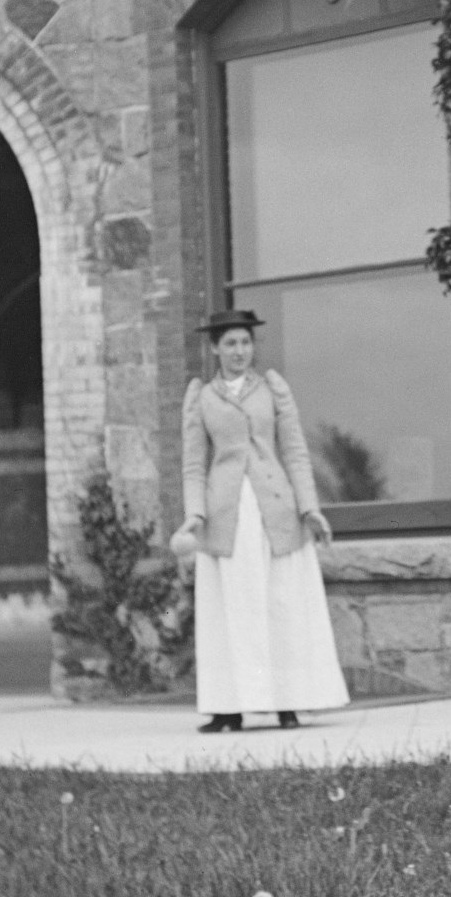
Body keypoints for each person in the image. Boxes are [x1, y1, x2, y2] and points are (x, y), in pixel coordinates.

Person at [169, 309, 349, 732]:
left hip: (276, 512)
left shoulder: (273, 389)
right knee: (231, 610)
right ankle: (228, 709)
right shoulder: (202, 397)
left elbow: (296, 452)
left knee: (282, 604)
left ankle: (289, 703)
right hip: (226, 518)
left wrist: (311, 509)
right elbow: (193, 465)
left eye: (245, 343)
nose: (239, 352)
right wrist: (194, 515)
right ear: (215, 348)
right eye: (230, 343)